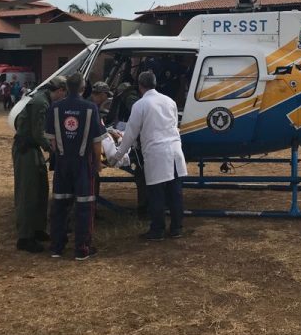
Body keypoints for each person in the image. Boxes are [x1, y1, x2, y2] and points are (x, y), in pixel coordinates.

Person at [109, 71, 187, 241]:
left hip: (156, 152)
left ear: (140, 86)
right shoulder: (170, 101)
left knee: (156, 193)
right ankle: (177, 228)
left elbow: (130, 133)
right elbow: (174, 124)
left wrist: (117, 156)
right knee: (175, 191)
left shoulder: (140, 105)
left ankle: (157, 230)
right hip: (175, 150)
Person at [45, 73, 105, 260]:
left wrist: (61, 154)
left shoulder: (55, 108)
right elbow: (97, 142)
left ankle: (57, 247)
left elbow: (52, 142)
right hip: (82, 163)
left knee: (60, 204)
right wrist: (97, 163)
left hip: (62, 162)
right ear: (83, 88)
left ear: (66, 88)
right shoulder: (90, 108)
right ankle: (82, 248)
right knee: (85, 205)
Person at [13, 75, 67, 253]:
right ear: (60, 91)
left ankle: (37, 228)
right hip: (26, 149)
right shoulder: (41, 103)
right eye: (64, 93)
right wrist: (54, 150)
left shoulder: (44, 100)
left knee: (41, 189)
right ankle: (25, 237)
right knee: (28, 192)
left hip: (33, 149)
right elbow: (38, 133)